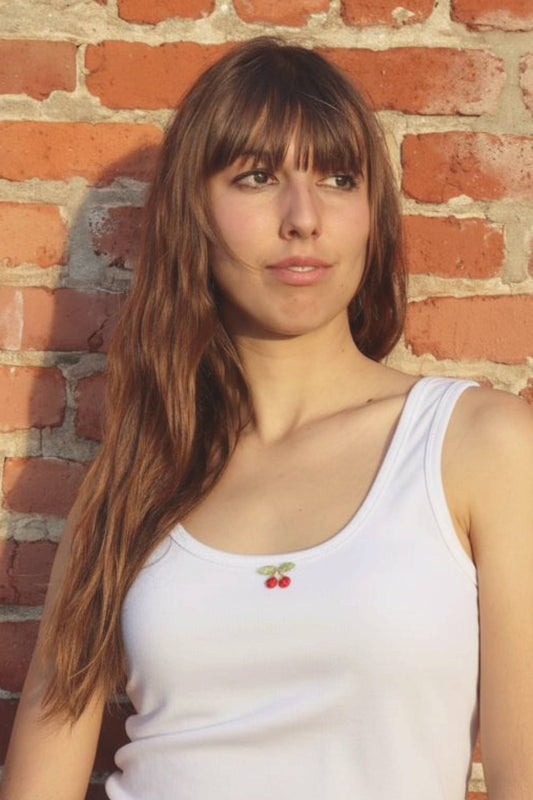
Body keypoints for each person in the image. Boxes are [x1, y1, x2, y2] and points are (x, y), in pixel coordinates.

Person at [1, 36, 532, 800]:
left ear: (371, 212)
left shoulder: (475, 445)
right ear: (196, 213)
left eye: (337, 178)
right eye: (255, 177)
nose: (302, 218)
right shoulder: (133, 479)